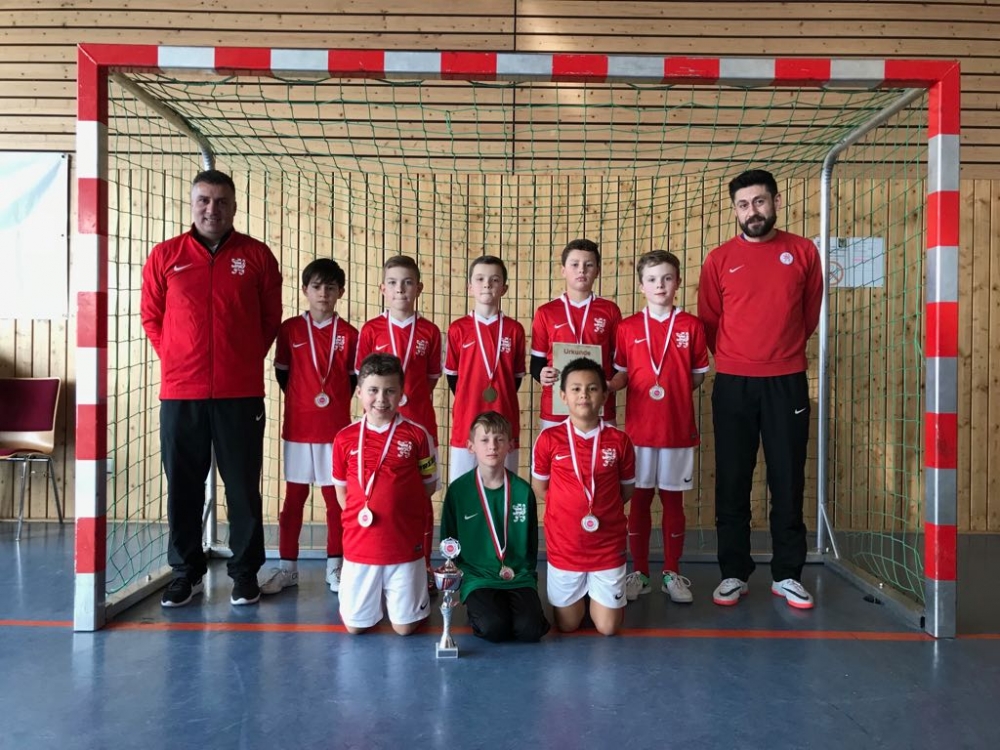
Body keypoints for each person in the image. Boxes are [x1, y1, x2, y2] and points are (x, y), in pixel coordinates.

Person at [141, 169, 282, 608]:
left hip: (240, 394)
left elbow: (269, 320)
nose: (212, 209)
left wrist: (241, 359)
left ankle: (245, 573)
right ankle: (187, 574)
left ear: (234, 206)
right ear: (192, 204)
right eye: (203, 200)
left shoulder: (257, 256)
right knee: (183, 487)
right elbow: (151, 316)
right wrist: (178, 358)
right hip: (180, 393)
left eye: (221, 201)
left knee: (242, 489)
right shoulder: (165, 255)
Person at [697, 168, 823, 610]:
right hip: (734, 383)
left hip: (786, 381)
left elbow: (809, 314)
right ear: (735, 210)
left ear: (775, 202)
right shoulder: (718, 259)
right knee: (732, 479)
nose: (752, 211)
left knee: (787, 479)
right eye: (743, 204)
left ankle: (788, 575)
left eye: (759, 201)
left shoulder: (803, 252)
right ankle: (733, 572)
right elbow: (710, 320)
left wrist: (779, 354)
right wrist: (740, 358)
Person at [609, 250, 709, 604]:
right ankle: (639, 572)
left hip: (677, 430)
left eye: (667, 278)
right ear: (641, 286)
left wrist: (671, 393)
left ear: (678, 282)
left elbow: (697, 376)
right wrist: (607, 386)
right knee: (638, 502)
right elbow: (622, 374)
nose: (660, 285)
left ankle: (671, 572)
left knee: (672, 501)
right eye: (652, 279)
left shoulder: (691, 326)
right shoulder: (628, 328)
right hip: (638, 432)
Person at [258, 259, 358, 596]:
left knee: (335, 501)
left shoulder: (349, 334)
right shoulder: (289, 330)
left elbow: (353, 380)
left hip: (335, 431)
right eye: (316, 286)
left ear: (341, 292)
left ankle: (335, 568)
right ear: (305, 290)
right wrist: (305, 401)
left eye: (331, 287)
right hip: (299, 428)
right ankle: (288, 568)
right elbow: (283, 374)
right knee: (294, 499)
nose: (323, 293)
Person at [332, 353, 439, 634]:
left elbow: (428, 485)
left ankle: (398, 598)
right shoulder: (344, 438)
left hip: (403, 545)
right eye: (373, 390)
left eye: (390, 391)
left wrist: (399, 510)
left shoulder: (418, 435)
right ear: (358, 392)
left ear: (401, 394)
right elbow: (342, 492)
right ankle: (374, 597)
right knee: (355, 628)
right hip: (360, 545)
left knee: (404, 629)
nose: (381, 399)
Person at [354, 255, 442, 588]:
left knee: (422, 497)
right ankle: (375, 561)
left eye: (407, 282)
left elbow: (431, 379)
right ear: (382, 289)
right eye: (392, 283)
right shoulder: (370, 330)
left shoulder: (430, 331)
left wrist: (408, 405)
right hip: (378, 429)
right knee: (378, 493)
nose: (400, 289)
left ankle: (423, 566)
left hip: (419, 427)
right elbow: (363, 381)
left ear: (419, 288)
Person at [531, 358, 636, 636]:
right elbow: (541, 487)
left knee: (608, 628)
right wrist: (568, 508)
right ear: (563, 396)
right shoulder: (548, 439)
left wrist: (600, 508)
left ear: (604, 395)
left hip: (606, 545)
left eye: (592, 388)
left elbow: (625, 490)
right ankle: (586, 595)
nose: (584, 395)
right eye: (576, 389)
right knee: (567, 626)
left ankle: (597, 595)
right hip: (566, 545)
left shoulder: (620, 440)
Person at [440, 411, 550, 643]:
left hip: (517, 575)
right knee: (494, 628)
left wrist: (526, 573)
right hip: (478, 576)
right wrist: (461, 575)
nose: (492, 446)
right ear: (471, 446)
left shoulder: (522, 491)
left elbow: (531, 543)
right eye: (484, 440)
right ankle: (484, 611)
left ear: (510, 445)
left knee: (530, 631)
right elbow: (449, 541)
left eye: (499, 439)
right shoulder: (459, 491)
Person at [444, 256, 525, 480]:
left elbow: (516, 378)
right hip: (467, 418)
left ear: (504, 288)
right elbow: (453, 377)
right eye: (480, 279)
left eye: (494, 279)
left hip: (504, 418)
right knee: (463, 486)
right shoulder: (458, 329)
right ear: (470, 287)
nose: (487, 284)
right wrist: (469, 397)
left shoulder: (514, 330)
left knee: (504, 485)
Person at [530, 239, 622, 429]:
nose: (582, 270)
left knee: (602, 450)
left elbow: (619, 362)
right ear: (563, 270)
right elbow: (536, 363)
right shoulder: (546, 312)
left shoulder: (610, 310)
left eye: (589, 265)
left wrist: (610, 385)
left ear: (597, 271)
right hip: (556, 406)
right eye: (575, 264)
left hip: (599, 405)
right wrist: (541, 374)